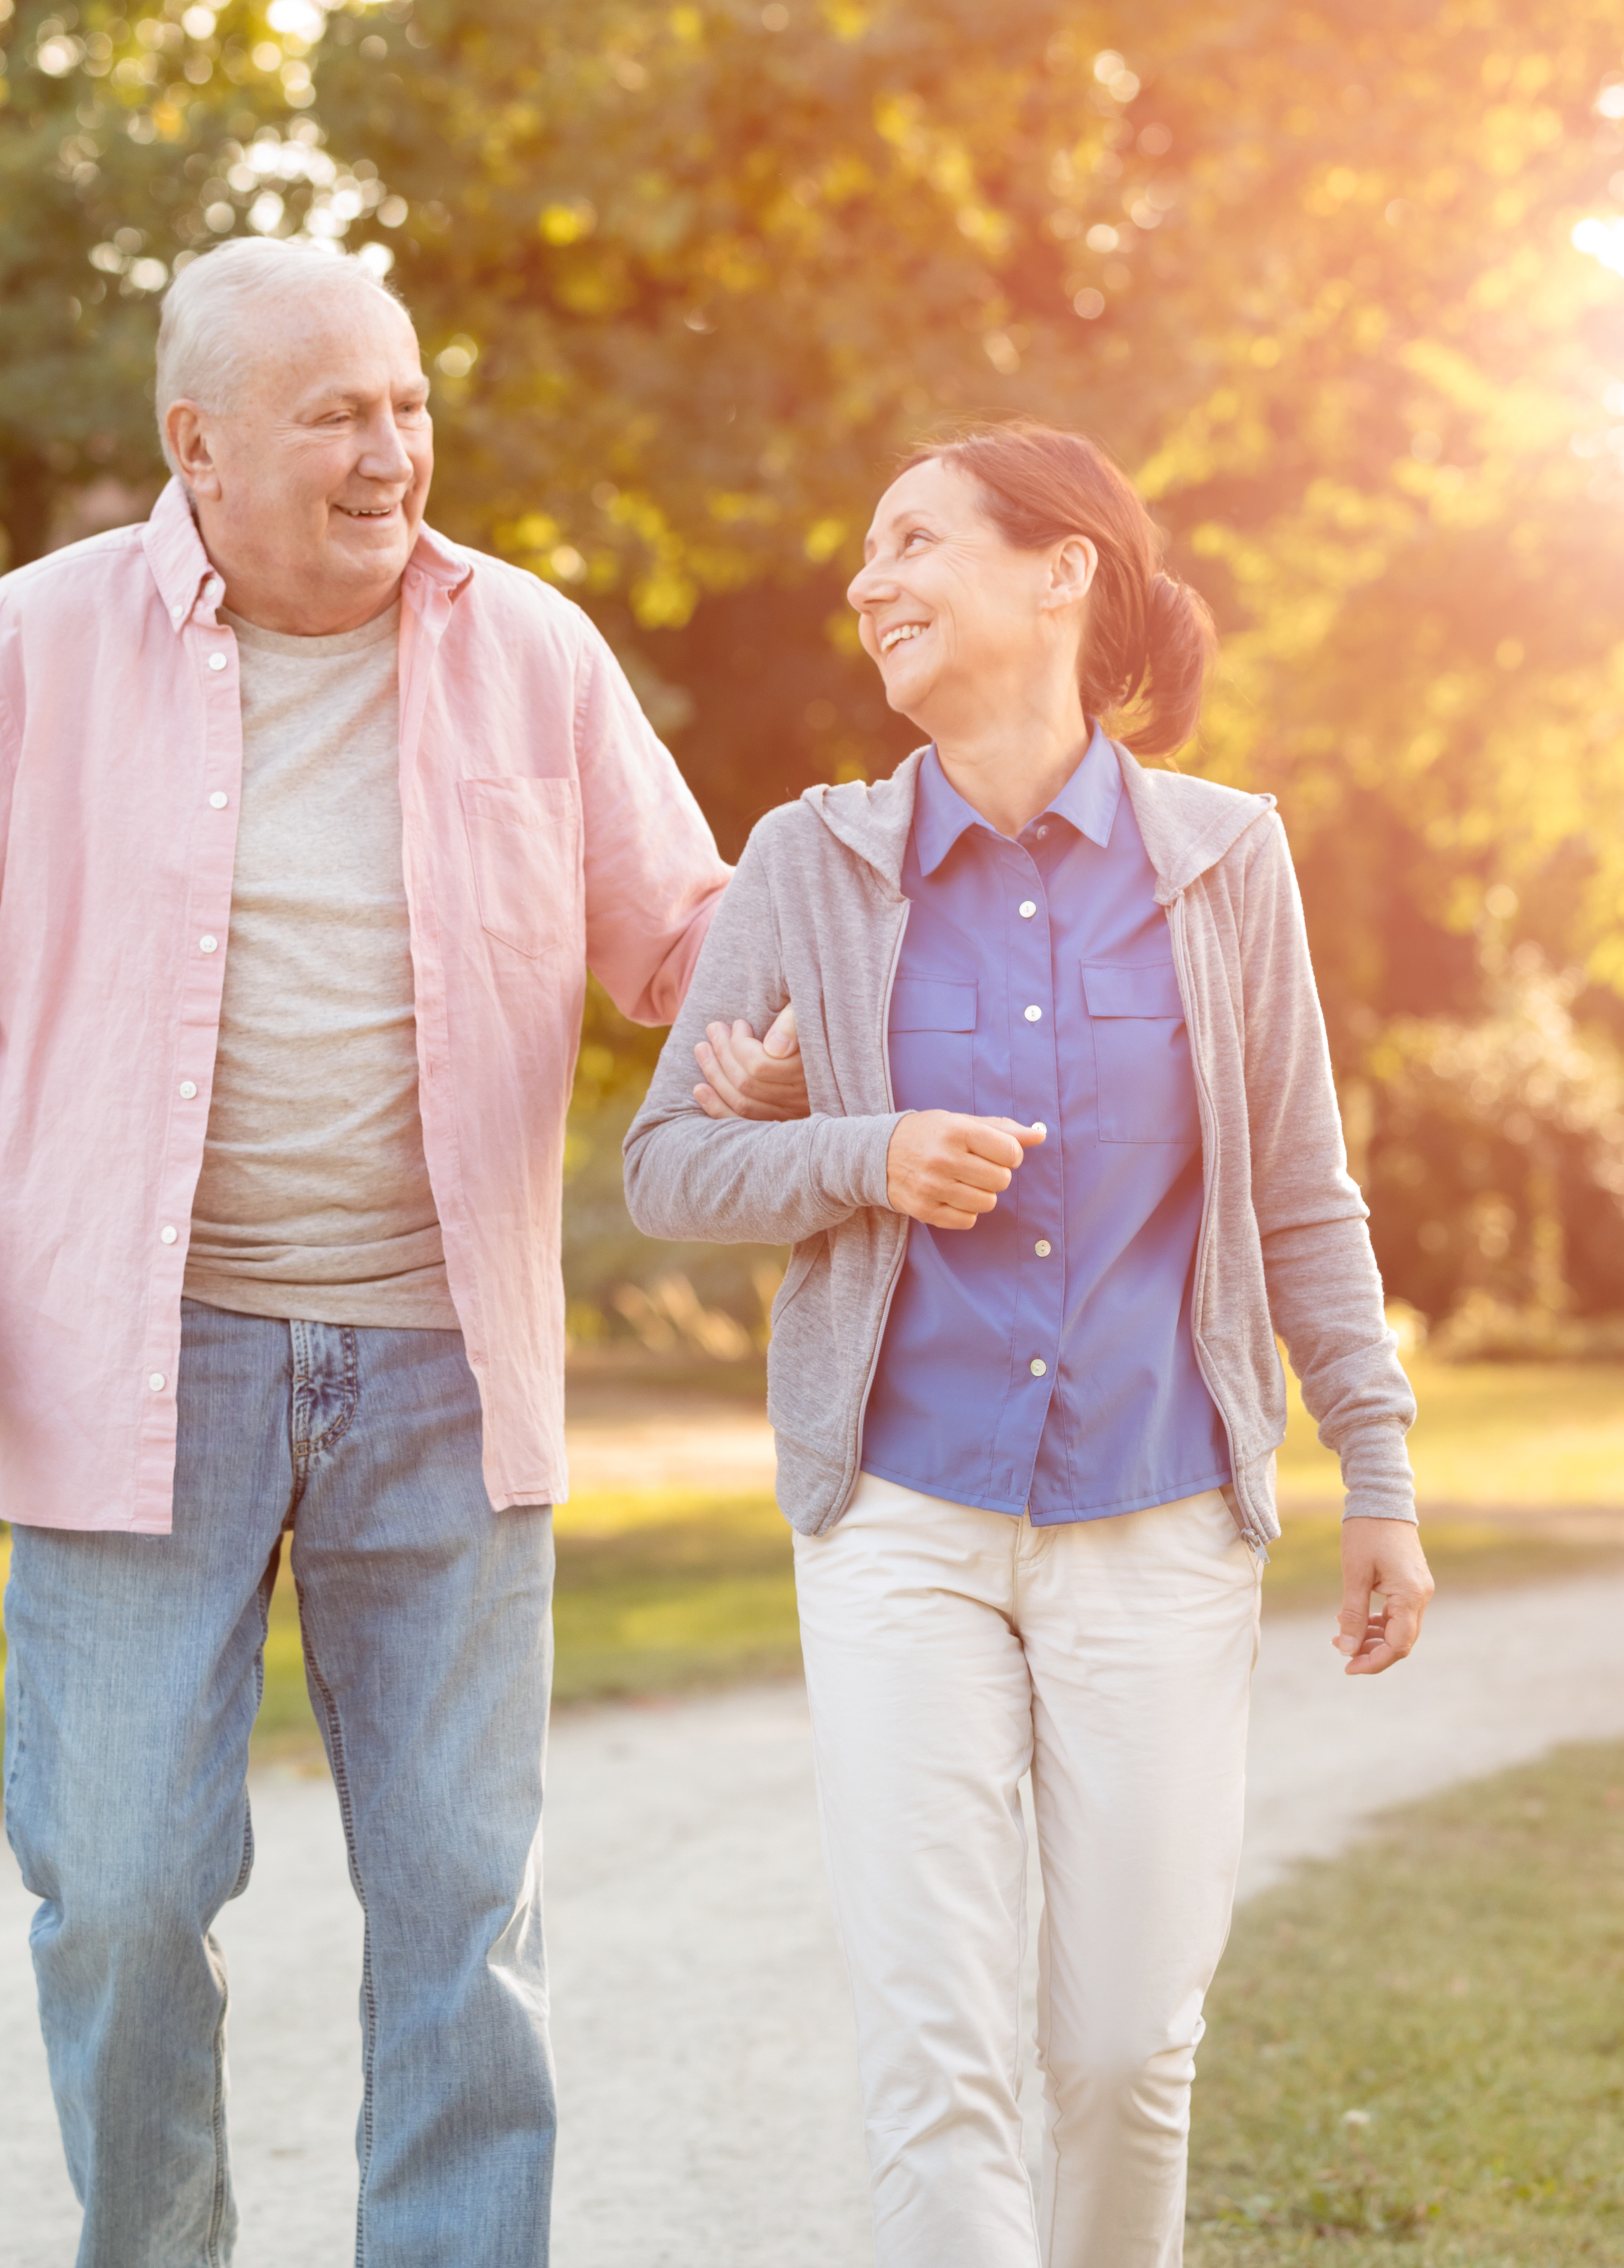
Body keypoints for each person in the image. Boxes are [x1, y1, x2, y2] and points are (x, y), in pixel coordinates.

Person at [0, 235, 802, 2266]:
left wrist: (773, 1027)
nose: (391, 450)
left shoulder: (530, 646)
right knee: (127, 1890)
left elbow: (683, 936)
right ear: (200, 446)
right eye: (337, 412)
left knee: (462, 1908)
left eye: (409, 402)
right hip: (128, 1351)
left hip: (440, 1358)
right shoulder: (34, 647)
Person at [624, 421, 1432, 2268]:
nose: (868, 581)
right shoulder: (807, 865)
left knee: (1126, 2046)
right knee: (940, 2047)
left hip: (1157, 1513)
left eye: (913, 541)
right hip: (902, 1517)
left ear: (1062, 570)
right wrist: (868, 1158)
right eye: (865, 553)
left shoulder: (1226, 862)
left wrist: (1374, 1472)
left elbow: (1304, 1193)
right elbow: (672, 1164)